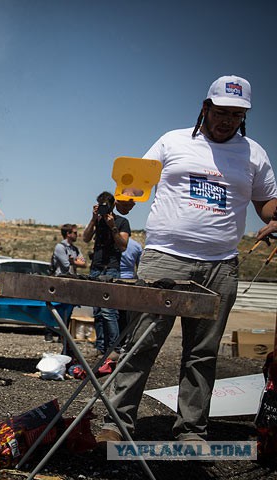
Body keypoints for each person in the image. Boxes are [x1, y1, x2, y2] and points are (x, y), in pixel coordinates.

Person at [96, 75, 277, 445]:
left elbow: (266, 204)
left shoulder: (254, 154)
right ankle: (117, 424)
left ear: (244, 116)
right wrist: (125, 196)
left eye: (237, 115)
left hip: (221, 266)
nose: (228, 120)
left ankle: (191, 432)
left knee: (202, 353)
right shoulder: (172, 141)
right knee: (141, 343)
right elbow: (133, 190)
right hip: (165, 259)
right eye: (221, 112)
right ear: (205, 108)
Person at [82, 191, 130, 356]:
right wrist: (93, 219)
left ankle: (114, 348)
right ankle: (100, 347)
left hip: (111, 268)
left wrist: (112, 227)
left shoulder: (122, 222)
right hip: (96, 267)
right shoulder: (98, 221)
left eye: (106, 206)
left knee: (109, 311)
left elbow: (123, 245)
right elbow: (86, 238)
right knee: (97, 311)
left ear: (112, 206)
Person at [46, 223, 87, 342]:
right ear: (68, 234)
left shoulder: (75, 249)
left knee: (68, 309)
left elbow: (83, 263)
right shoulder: (60, 247)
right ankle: (49, 333)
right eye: (74, 232)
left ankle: (62, 335)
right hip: (59, 281)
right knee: (56, 308)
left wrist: (73, 260)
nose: (77, 235)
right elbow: (65, 264)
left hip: (71, 281)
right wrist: (75, 261)